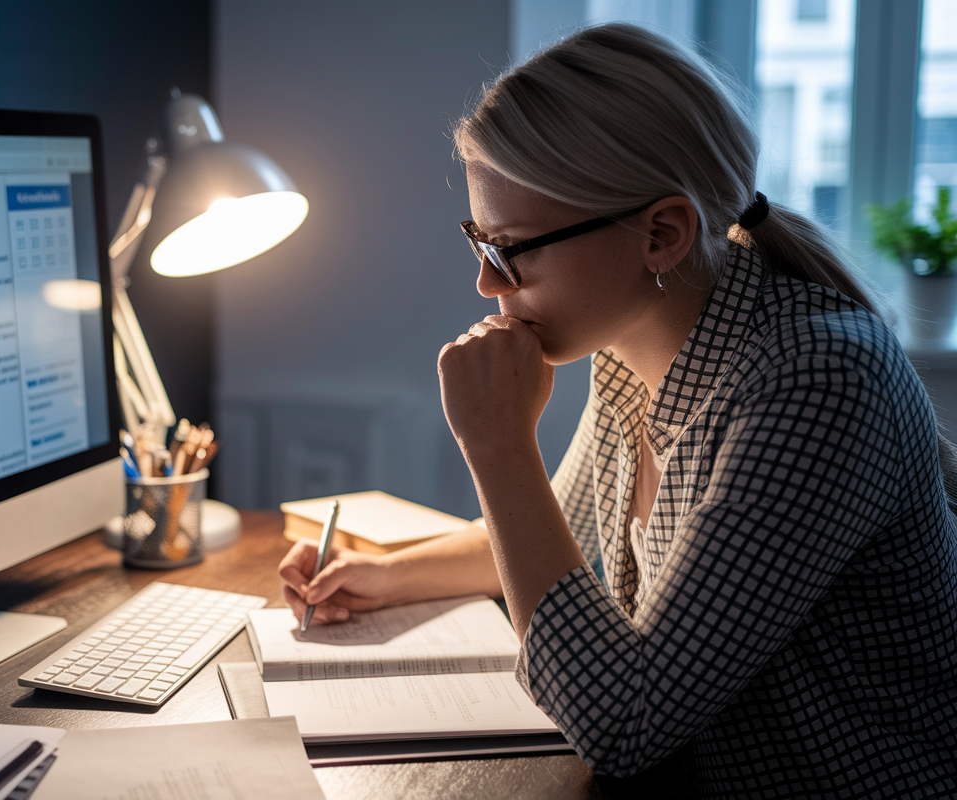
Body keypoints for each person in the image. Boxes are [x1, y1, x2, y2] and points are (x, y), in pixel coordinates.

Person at [277, 23, 957, 798]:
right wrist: (382, 578)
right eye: (479, 240)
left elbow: (624, 725)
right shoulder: (629, 342)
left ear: (662, 235)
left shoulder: (821, 381)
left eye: (511, 249)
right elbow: (558, 540)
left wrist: (498, 445)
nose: (487, 286)